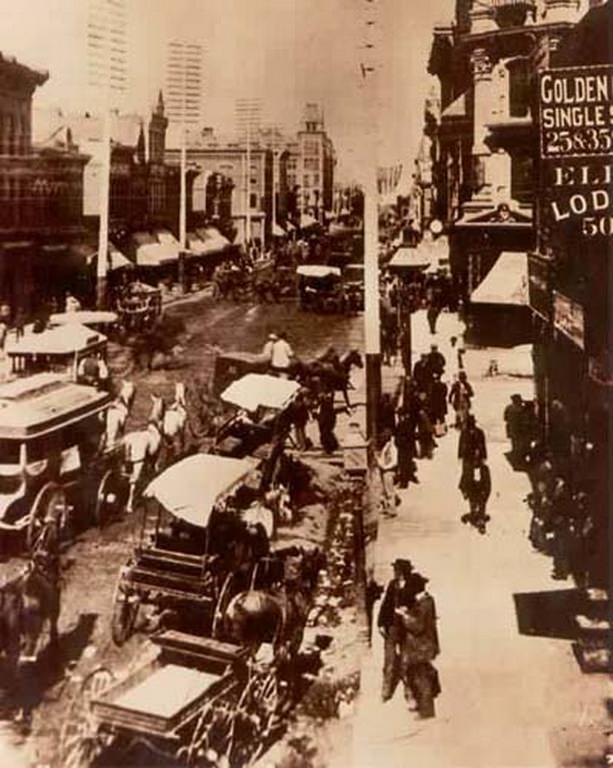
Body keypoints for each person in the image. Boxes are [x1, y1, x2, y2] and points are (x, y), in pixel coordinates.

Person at [397, 573, 441, 718]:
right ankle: (424, 708)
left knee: (421, 679)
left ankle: (427, 711)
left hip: (421, 647)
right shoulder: (426, 601)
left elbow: (418, 626)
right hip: (423, 646)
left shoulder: (424, 603)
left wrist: (404, 616)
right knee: (420, 676)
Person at [377, 558, 415, 703]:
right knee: (389, 661)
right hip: (392, 627)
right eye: (395, 570)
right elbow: (386, 604)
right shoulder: (392, 585)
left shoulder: (412, 586)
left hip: (407, 629)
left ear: (403, 572)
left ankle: (409, 693)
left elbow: (418, 608)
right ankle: (386, 691)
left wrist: (407, 612)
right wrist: (381, 623)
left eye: (397, 570)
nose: (395, 572)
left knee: (407, 662)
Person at [459, 455, 492, 534]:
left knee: (466, 483)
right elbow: (488, 517)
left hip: (473, 492)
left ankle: (470, 465)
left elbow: (464, 518)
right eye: (483, 525)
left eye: (480, 526)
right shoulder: (483, 517)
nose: (481, 523)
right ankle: (481, 466)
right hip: (481, 493)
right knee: (486, 488)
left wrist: (466, 519)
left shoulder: (473, 520)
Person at [377, 430, 399, 516]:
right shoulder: (386, 447)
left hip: (389, 471)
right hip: (384, 470)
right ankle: (387, 507)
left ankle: (392, 509)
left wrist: (386, 467)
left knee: (389, 491)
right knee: (384, 491)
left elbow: (394, 461)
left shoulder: (392, 448)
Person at [395, 408, 418, 488]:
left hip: (404, 447)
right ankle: (408, 477)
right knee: (407, 463)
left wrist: (398, 442)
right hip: (408, 447)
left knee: (403, 464)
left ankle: (404, 482)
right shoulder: (408, 423)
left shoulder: (402, 424)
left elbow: (399, 436)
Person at [504, 394, 524, 460]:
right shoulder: (522, 408)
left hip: (512, 426)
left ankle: (515, 451)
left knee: (514, 440)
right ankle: (518, 452)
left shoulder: (509, 407)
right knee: (519, 440)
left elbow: (505, 418)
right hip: (520, 427)